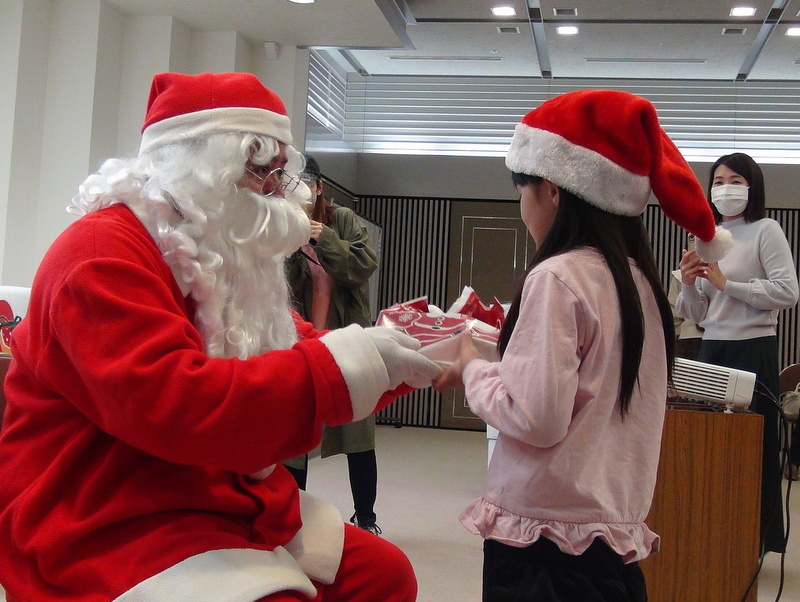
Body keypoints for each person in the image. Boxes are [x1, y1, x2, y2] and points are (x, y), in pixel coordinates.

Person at [0, 71, 442, 602]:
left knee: (385, 575)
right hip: (107, 510)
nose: (278, 193)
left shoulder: (217, 247)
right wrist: (354, 364)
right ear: (202, 168)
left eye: (280, 173)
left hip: (213, 492)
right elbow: (176, 404)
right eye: (261, 171)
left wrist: (403, 355)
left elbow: (292, 344)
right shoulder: (99, 254)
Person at [433, 89, 731, 602]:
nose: (522, 208)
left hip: (543, 544)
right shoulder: (640, 284)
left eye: (522, 191)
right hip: (611, 536)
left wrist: (472, 369)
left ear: (552, 189)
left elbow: (537, 417)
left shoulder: (558, 277)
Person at [675, 152, 799, 554]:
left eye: (736, 181)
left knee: (752, 448)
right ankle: (710, 535)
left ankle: (753, 540)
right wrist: (689, 283)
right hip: (712, 347)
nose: (725, 188)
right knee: (707, 444)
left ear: (751, 186)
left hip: (753, 347)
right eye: (718, 181)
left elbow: (787, 292)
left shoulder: (766, 230)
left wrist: (728, 285)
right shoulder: (705, 237)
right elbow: (697, 315)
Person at [283, 154, 383, 536]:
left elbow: (363, 265)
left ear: (319, 187)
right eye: (293, 187)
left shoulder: (342, 220)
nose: (301, 194)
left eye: (306, 186)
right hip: (301, 341)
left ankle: (366, 518)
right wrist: (291, 243)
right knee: (295, 433)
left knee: (358, 431)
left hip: (346, 339)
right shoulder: (284, 224)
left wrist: (322, 237)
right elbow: (279, 285)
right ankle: (292, 518)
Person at [667, 266, 703, 360]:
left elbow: (674, 313)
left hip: (687, 336)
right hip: (716, 337)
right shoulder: (720, 275)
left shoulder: (679, 275)